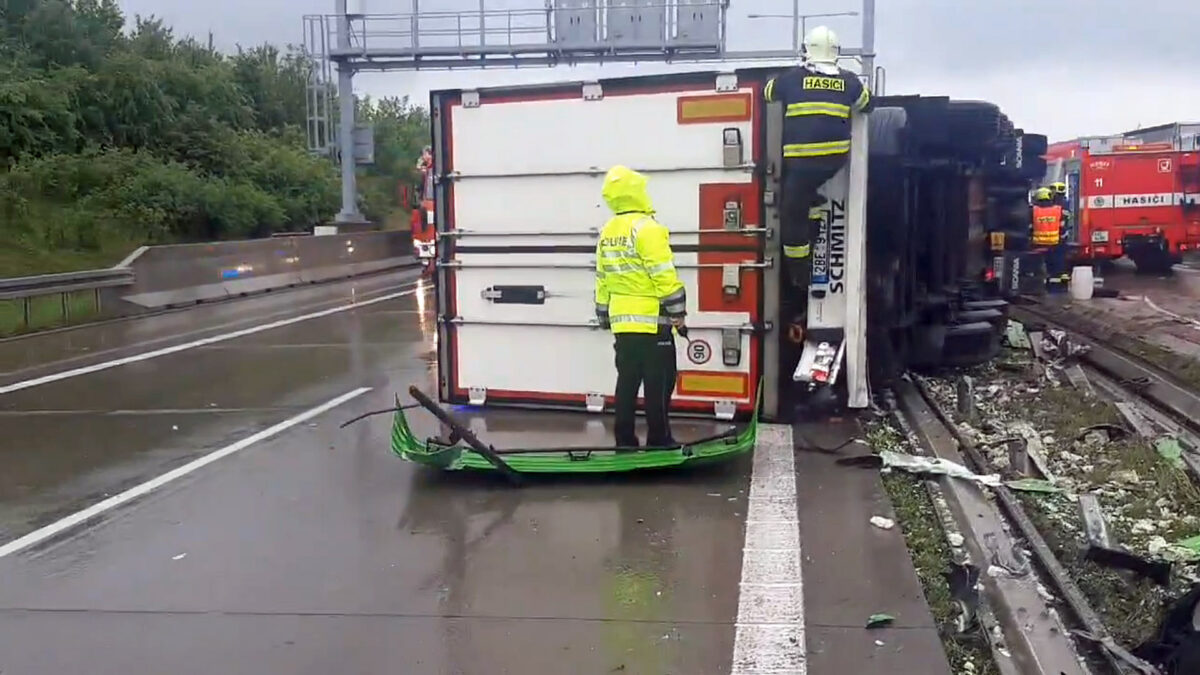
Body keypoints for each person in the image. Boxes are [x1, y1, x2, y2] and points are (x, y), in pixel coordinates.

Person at [764, 25, 873, 304]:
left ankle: (799, 274)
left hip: (801, 162)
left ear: (807, 51)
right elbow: (867, 104)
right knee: (807, 196)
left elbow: (767, 93)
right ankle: (816, 207)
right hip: (834, 161)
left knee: (792, 214)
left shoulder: (792, 79)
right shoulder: (848, 81)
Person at [594, 165, 687, 448]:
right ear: (635, 192)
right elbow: (663, 274)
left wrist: (603, 312)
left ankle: (625, 440)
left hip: (622, 322)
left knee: (627, 383)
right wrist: (678, 314)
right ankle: (659, 439)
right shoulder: (648, 229)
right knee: (659, 385)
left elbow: (602, 276)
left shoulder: (608, 231)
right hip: (651, 321)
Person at [1031, 186, 1069, 291]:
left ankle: (1040, 286)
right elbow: (1063, 227)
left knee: (1038, 268)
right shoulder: (1057, 210)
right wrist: (1062, 239)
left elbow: (1030, 227)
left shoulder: (1034, 211)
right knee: (1056, 267)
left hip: (1038, 245)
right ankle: (1057, 288)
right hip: (1055, 243)